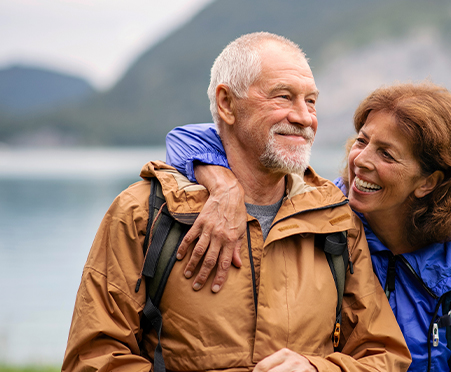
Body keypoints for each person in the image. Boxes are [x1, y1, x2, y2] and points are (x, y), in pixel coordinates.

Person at [62, 32, 411, 372]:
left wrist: (316, 369)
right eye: (283, 97)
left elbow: (384, 356)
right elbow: (93, 359)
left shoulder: (336, 219)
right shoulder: (143, 213)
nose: (304, 117)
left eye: (311, 101)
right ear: (227, 103)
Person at [165, 83, 451, 371]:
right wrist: (223, 184)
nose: (360, 161)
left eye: (387, 154)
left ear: (428, 182)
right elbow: (184, 138)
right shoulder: (323, 214)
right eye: (362, 141)